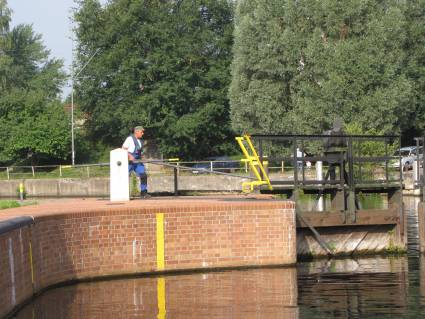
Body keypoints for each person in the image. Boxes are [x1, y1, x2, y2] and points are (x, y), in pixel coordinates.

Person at [122, 126, 150, 198]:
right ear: (136, 132)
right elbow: (123, 149)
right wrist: (129, 156)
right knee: (123, 176)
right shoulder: (129, 139)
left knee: (143, 175)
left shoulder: (140, 141)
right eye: (141, 132)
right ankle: (122, 194)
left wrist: (142, 157)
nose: (143, 133)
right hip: (129, 162)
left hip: (137, 161)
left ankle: (143, 193)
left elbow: (138, 152)